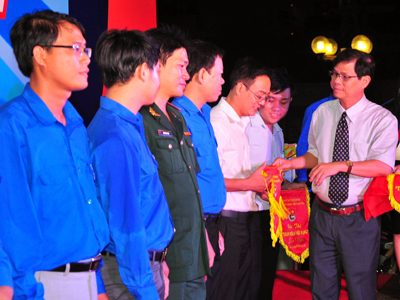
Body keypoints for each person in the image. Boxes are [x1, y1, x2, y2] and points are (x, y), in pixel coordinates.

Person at [0, 10, 110, 300]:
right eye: (75, 48)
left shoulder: (75, 125)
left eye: (86, 49)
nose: (87, 58)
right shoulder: (12, 126)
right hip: (42, 287)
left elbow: (85, 214)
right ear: (41, 55)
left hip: (88, 280)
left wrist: (96, 286)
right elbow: (10, 223)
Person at [273, 49, 398, 300]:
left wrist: (341, 165)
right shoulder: (322, 112)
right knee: (321, 286)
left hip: (358, 216)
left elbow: (383, 166)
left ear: (365, 81)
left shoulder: (381, 119)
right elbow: (316, 156)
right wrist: (291, 164)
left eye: (344, 76)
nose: (336, 81)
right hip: (322, 213)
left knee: (360, 289)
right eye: (334, 74)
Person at [88, 29, 175, 300]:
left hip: (145, 267)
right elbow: (125, 223)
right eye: (157, 69)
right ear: (142, 72)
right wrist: (146, 287)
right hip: (130, 277)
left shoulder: (129, 125)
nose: (158, 80)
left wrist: (160, 262)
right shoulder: (115, 135)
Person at [139, 27, 210, 299]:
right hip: (167, 255)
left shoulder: (178, 117)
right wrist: (159, 258)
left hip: (193, 251)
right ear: (156, 64)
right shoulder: (142, 120)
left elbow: (191, 186)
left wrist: (203, 238)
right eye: (180, 66)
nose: (187, 75)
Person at [210, 57, 272, 300]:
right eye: (260, 96)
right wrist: (249, 184)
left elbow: (236, 176)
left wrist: (257, 188)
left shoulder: (241, 123)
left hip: (245, 221)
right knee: (226, 291)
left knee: (246, 291)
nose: (263, 103)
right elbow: (208, 181)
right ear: (239, 87)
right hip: (226, 222)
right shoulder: (218, 122)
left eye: (266, 97)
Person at [171, 40, 226, 300]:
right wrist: (203, 228)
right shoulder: (176, 114)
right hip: (190, 226)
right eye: (220, 74)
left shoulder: (204, 113)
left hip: (209, 223)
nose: (223, 81)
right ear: (202, 74)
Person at [246, 68, 306, 299]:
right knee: (248, 281)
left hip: (271, 215)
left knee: (267, 278)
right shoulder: (246, 126)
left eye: (284, 101)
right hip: (246, 215)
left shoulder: (278, 131)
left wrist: (291, 186)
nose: (277, 108)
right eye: (270, 100)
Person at [296, 94, 335, 183]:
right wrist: (302, 177)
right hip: (318, 177)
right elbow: (304, 144)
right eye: (335, 78)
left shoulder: (364, 112)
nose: (338, 81)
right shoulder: (316, 109)